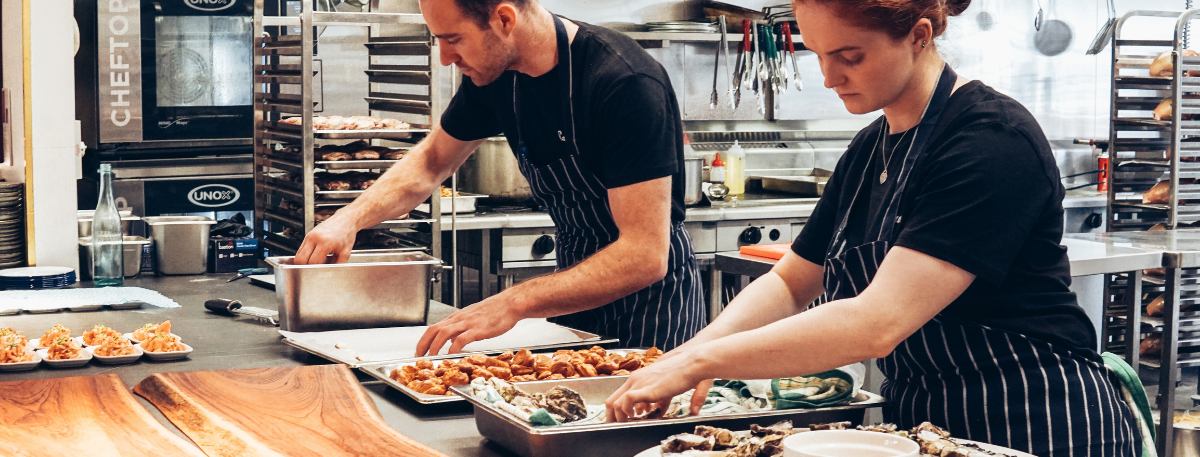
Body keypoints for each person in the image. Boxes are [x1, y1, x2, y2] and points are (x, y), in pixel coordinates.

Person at [604, 1, 1141, 455]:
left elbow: (876, 322)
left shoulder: (990, 140)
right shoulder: (869, 149)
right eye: (817, 54)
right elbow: (792, 283)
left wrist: (706, 360)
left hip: (1034, 419)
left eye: (849, 56)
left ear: (920, 36)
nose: (829, 76)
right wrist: (685, 357)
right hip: (929, 426)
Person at [293, 0, 706, 354]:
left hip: (652, 312)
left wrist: (513, 302)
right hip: (571, 294)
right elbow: (431, 161)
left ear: (505, 20)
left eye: (453, 39)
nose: (444, 58)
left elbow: (644, 256)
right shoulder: (496, 76)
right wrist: (349, 218)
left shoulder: (623, 83)